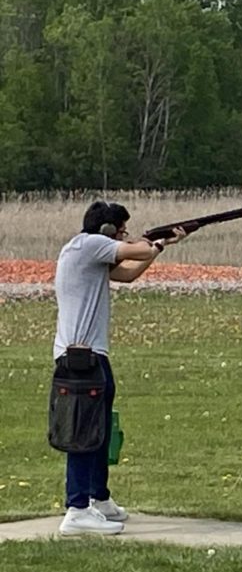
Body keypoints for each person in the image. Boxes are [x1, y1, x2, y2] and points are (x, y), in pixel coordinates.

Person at [53, 201, 187, 536]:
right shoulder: (91, 244)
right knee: (84, 433)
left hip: (89, 356)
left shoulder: (85, 251)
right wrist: (156, 242)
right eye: (122, 229)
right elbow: (136, 252)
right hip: (82, 358)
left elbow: (127, 274)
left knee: (97, 431)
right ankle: (77, 508)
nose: (125, 234)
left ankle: (98, 498)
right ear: (108, 230)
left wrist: (158, 247)